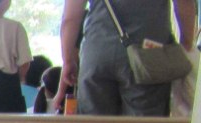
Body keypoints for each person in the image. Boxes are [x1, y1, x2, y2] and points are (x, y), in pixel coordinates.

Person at [60, 0, 197, 116]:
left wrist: (68, 60)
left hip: (96, 54)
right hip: (148, 57)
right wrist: (186, 44)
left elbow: (70, 18)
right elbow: (185, 3)